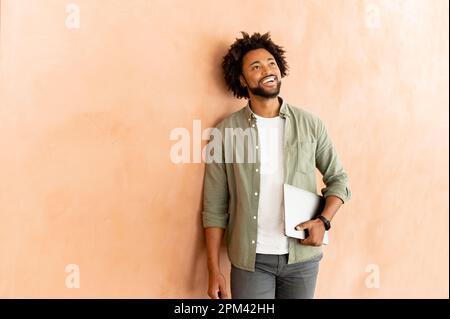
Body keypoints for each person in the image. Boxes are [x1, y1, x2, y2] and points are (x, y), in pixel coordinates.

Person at [202, 31, 351, 299]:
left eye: (271, 63)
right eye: (255, 67)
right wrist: (214, 269)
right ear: (242, 79)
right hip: (251, 262)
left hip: (302, 259)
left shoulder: (310, 124)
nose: (267, 70)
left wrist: (323, 221)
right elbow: (214, 206)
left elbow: (339, 179)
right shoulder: (226, 132)